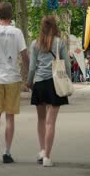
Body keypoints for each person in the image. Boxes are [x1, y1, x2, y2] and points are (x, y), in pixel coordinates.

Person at [0, 2, 29, 164]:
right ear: (11, 16)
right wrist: (29, 76)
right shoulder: (17, 32)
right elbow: (24, 56)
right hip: (12, 78)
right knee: (10, 116)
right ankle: (7, 152)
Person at [27, 15, 71, 167]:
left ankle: (41, 150)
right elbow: (67, 64)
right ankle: (47, 157)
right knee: (50, 122)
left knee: (40, 120)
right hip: (55, 85)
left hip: (39, 83)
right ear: (54, 26)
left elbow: (32, 66)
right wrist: (68, 80)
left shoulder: (35, 44)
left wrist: (29, 81)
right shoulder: (60, 43)